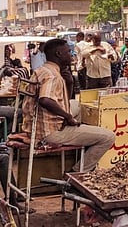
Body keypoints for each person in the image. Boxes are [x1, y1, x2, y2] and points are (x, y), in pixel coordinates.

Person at [21, 38, 115, 172]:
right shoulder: (52, 76)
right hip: (48, 133)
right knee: (108, 137)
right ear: (58, 54)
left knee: (76, 104)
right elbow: (45, 100)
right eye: (68, 52)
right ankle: (77, 172)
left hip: (34, 124)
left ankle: (80, 137)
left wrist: (69, 82)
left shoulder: (42, 70)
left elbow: (62, 99)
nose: (71, 55)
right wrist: (67, 116)